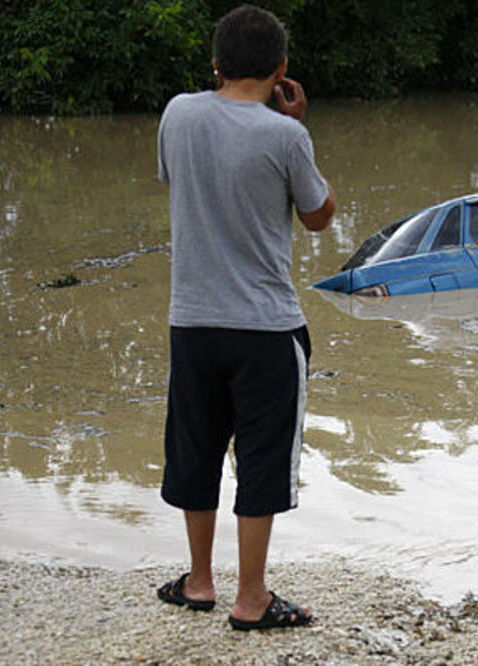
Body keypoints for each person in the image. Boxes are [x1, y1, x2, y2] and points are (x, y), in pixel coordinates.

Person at [154, 4, 334, 631]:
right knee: (261, 460)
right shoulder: (286, 135)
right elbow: (318, 216)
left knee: (196, 450)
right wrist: (291, 125)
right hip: (265, 328)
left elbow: (178, 180)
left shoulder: (178, 114)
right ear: (282, 68)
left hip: (192, 322)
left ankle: (198, 582)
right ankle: (251, 598)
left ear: (215, 64)